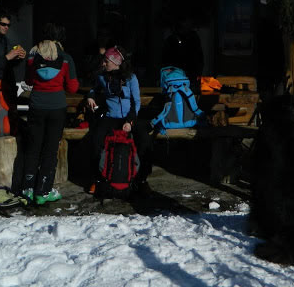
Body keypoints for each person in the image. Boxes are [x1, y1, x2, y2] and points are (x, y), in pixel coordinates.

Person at [22, 24, 79, 204]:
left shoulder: (32, 56)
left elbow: (29, 80)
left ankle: (27, 189)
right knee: (50, 150)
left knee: (33, 147)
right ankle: (43, 191)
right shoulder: (65, 58)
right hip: (57, 108)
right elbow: (73, 87)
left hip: (36, 105)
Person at [87, 46, 154, 196]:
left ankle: (141, 179)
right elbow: (94, 89)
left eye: (106, 61)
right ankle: (97, 179)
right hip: (111, 116)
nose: (103, 64)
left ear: (116, 62)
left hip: (128, 117)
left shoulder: (131, 78)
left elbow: (135, 102)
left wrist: (130, 121)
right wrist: (90, 96)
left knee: (144, 139)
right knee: (96, 139)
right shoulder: (103, 77)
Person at [0, 10, 26, 118]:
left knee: (10, 121)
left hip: (8, 87)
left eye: (8, 25)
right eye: (3, 24)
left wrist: (18, 57)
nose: (6, 27)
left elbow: (9, 64)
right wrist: (8, 57)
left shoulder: (5, 40)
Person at [162, 18, 204, 87]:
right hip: (176, 77)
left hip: (191, 76)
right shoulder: (172, 39)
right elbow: (166, 60)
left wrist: (197, 74)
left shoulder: (193, 38)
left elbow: (199, 58)